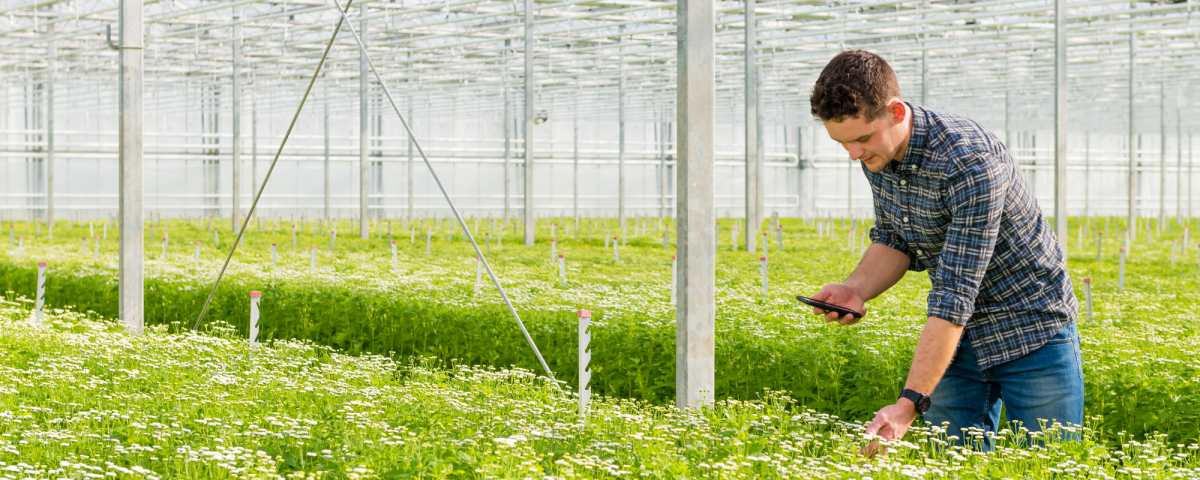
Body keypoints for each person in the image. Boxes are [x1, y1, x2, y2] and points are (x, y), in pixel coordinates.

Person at [805, 50, 1083, 452]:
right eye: (843, 143)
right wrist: (856, 290)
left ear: (896, 112)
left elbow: (955, 292)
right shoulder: (878, 155)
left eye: (862, 139)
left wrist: (910, 403)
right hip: (962, 340)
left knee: (1048, 464)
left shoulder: (969, 162)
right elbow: (894, 237)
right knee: (949, 464)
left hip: (1033, 332)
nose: (854, 155)